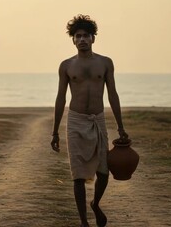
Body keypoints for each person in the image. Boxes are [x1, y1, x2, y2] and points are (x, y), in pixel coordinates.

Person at [50, 14, 128, 227]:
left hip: (98, 119)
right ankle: (84, 222)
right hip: (75, 121)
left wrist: (121, 127)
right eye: (78, 36)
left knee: (103, 171)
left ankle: (96, 204)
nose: (82, 39)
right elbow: (60, 98)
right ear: (73, 40)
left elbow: (113, 94)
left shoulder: (105, 63)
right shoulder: (66, 65)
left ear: (93, 38)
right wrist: (55, 131)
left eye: (86, 35)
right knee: (77, 175)